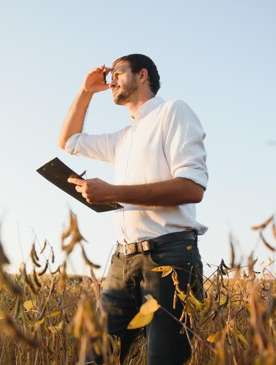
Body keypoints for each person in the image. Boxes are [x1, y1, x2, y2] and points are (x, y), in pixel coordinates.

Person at [58, 54, 208, 365]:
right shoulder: (123, 137)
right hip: (122, 260)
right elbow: (68, 141)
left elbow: (192, 188)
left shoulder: (173, 112)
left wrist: (113, 193)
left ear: (142, 76)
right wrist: (86, 91)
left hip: (170, 255)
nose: (111, 79)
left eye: (118, 72)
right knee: (92, 355)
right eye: (110, 74)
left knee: (165, 359)